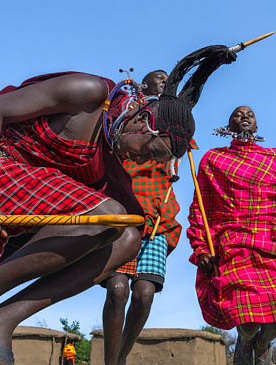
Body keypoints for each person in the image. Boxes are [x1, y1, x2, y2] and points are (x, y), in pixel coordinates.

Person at [0, 45, 236, 365]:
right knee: (110, 216)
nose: (141, 161)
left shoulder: (115, 164)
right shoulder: (90, 93)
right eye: (148, 152)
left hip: (28, 214)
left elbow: (136, 224)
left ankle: (4, 319)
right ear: (142, 120)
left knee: (128, 235)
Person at [187, 106, 276, 365]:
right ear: (229, 127)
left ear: (257, 125)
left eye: (250, 114)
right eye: (238, 114)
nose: (245, 116)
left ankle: (263, 345)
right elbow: (201, 207)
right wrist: (202, 248)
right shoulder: (213, 159)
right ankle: (246, 342)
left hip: (275, 243)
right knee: (247, 319)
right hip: (234, 244)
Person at [100, 70, 183, 365]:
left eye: (166, 78)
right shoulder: (127, 118)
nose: (164, 80)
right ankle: (111, 362)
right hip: (123, 214)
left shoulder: (173, 125)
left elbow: (180, 147)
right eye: (157, 78)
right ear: (143, 85)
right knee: (117, 288)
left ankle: (121, 357)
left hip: (159, 217)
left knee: (145, 293)